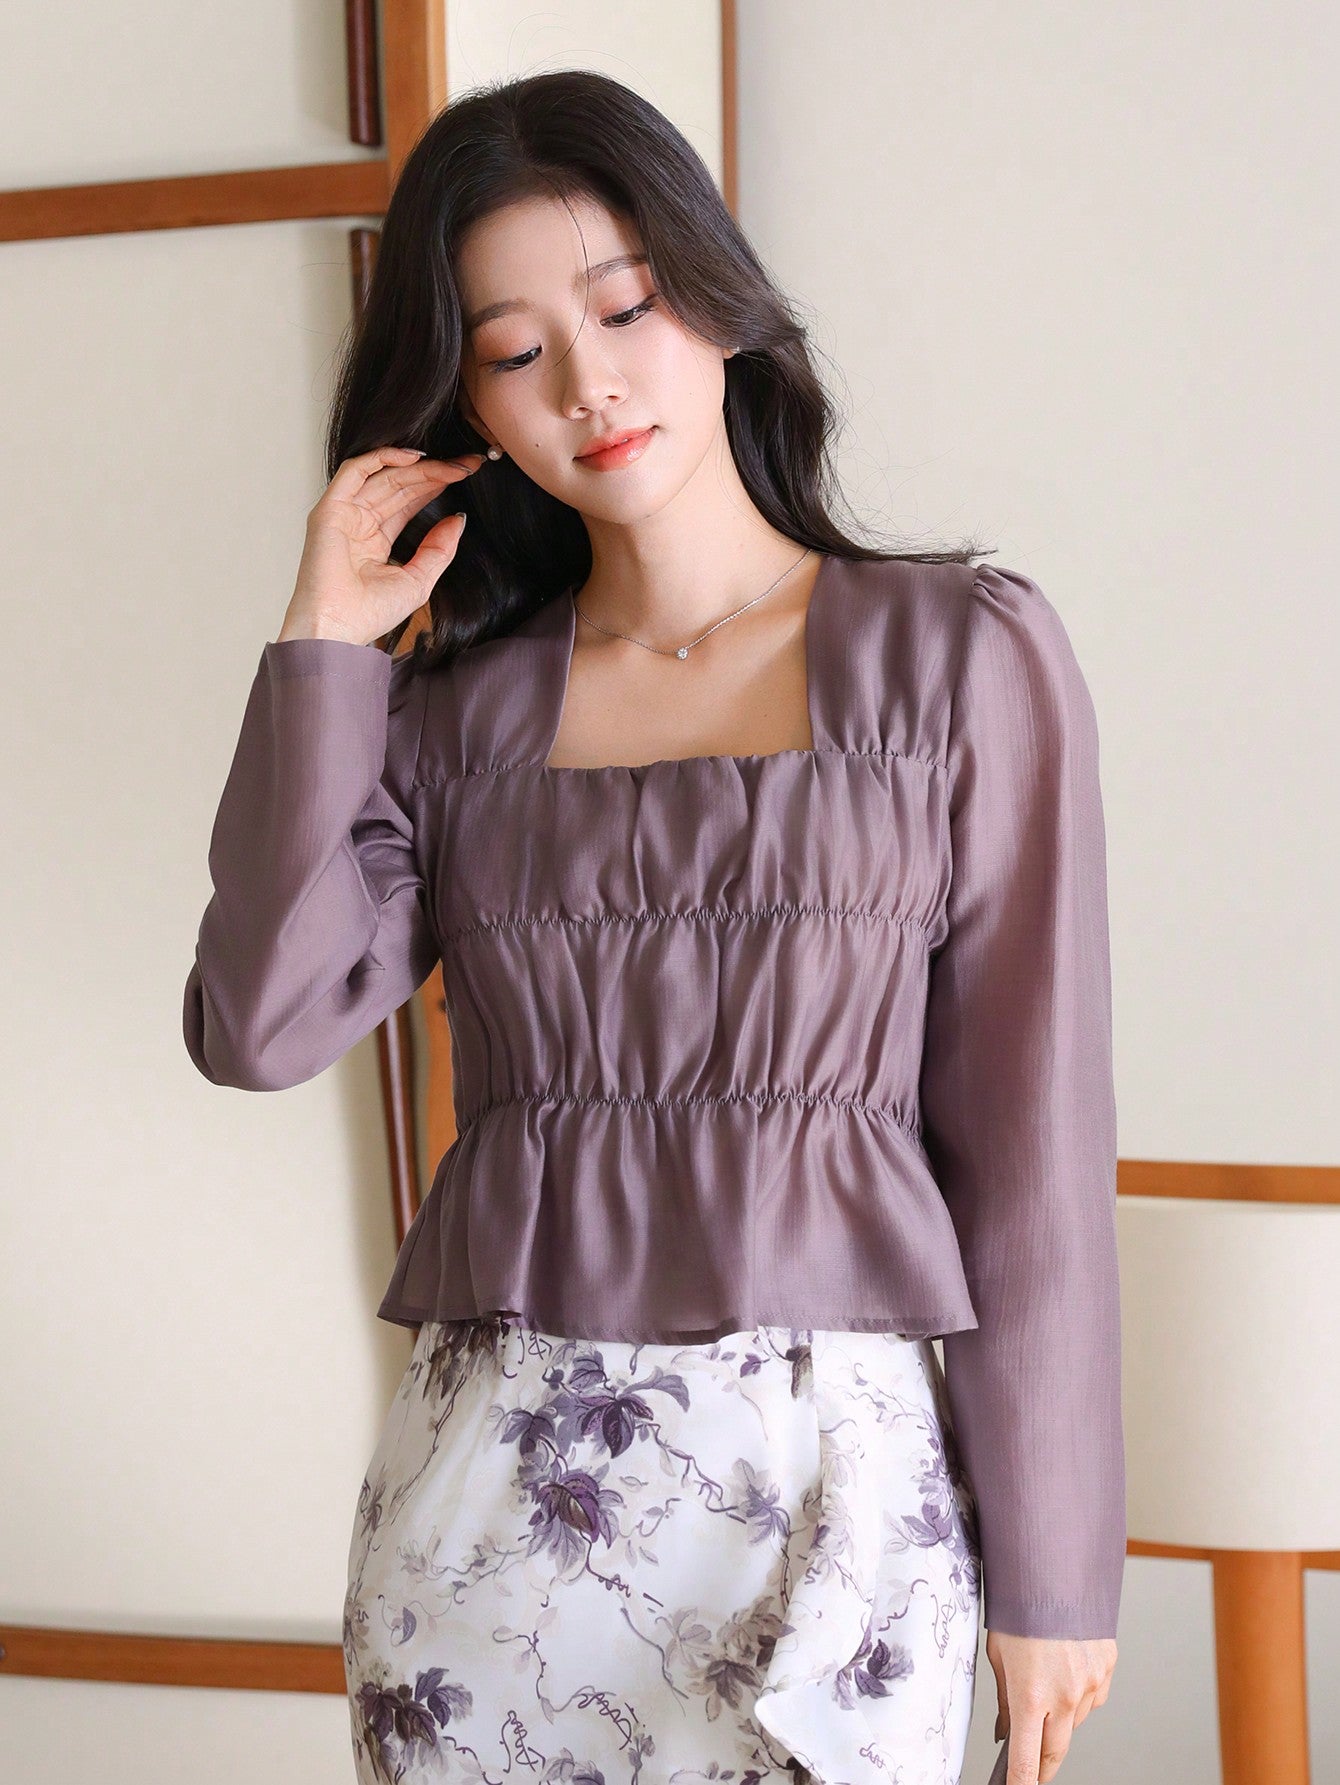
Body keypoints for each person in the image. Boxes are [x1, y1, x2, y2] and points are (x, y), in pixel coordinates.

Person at [182, 70, 1122, 1785]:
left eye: (624, 307)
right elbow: (259, 1023)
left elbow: (1031, 1147)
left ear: (719, 297)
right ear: (467, 401)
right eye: (516, 349)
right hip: (494, 1532)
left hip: (842, 1520)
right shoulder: (451, 722)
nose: (589, 382)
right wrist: (322, 647)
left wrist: (1056, 1570)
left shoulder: (957, 658)